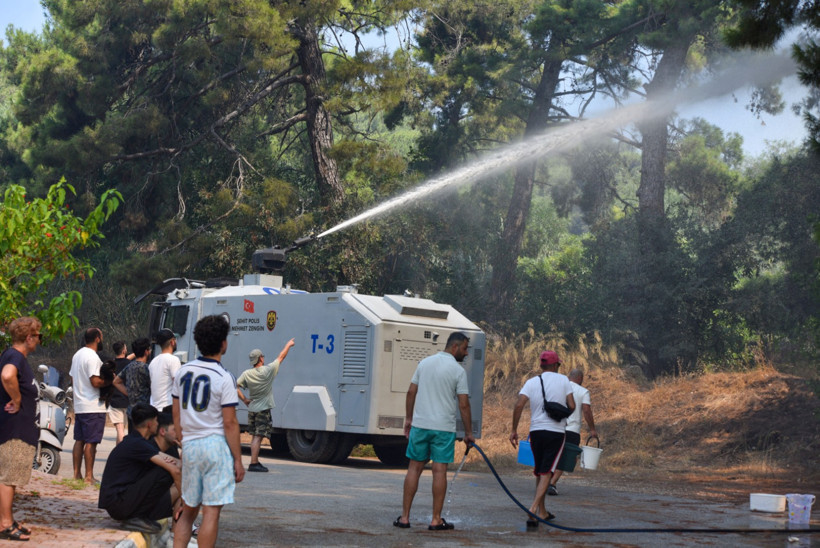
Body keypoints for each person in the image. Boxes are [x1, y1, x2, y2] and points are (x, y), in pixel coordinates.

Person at [172, 315, 244, 548]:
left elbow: (176, 415)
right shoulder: (225, 377)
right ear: (224, 343)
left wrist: (184, 443)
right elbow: (230, 423)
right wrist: (238, 460)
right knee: (211, 513)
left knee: (188, 510)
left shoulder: (183, 372)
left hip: (191, 446)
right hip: (216, 448)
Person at [394, 331, 474, 531]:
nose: (466, 354)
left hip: (421, 426)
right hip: (443, 429)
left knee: (414, 468)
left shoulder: (424, 363)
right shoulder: (458, 371)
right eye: (464, 349)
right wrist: (469, 433)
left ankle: (404, 518)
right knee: (440, 471)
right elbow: (464, 405)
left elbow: (411, 391)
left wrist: (409, 419)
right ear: (454, 347)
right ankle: (436, 520)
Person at [509, 350, 575, 527]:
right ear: (555, 365)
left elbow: (518, 405)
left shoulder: (531, 382)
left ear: (541, 365)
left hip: (536, 432)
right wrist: (562, 413)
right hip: (555, 432)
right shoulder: (563, 380)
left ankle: (543, 512)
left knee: (540, 470)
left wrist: (514, 430)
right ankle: (533, 510)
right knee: (546, 472)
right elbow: (572, 405)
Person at [98, 403, 182, 534]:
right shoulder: (137, 444)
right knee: (165, 471)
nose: (157, 424)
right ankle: (136, 517)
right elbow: (174, 468)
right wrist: (187, 498)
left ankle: (143, 517)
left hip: (123, 501)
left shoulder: (139, 442)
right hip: (119, 504)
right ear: (150, 424)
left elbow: (175, 463)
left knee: (168, 469)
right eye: (156, 421)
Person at [0, 317, 42, 541]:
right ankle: (4, 524)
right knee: (8, 477)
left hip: (20, 429)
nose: (38, 340)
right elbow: (7, 375)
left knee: (12, 477)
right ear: (29, 338)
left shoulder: (14, 356)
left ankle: (8, 518)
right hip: (14, 429)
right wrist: (16, 399)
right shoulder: (15, 356)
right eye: (38, 336)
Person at [236, 339, 295, 472]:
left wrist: (244, 399)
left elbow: (235, 386)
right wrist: (288, 345)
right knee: (258, 436)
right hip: (262, 410)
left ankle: (254, 460)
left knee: (254, 436)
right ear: (261, 359)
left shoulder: (247, 373)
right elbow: (281, 356)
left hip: (251, 409)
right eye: (262, 356)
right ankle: (253, 463)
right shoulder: (267, 371)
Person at [549, 368, 598, 495]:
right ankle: (552, 483)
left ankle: (545, 481)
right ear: (580, 378)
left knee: (553, 455)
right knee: (566, 457)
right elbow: (586, 410)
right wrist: (592, 429)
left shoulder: (557, 387)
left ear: (569, 376)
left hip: (554, 427)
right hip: (572, 430)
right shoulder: (583, 391)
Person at [69, 327, 108, 484]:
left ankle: (77, 474)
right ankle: (89, 477)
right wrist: (109, 382)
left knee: (79, 440)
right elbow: (95, 381)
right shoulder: (92, 357)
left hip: (80, 405)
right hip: (93, 405)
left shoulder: (77, 355)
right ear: (97, 338)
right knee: (91, 442)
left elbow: (72, 379)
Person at [113, 337, 152, 421]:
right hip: (144, 412)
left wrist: (130, 393)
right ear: (146, 351)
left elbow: (116, 381)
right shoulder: (146, 368)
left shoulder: (129, 366)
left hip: (131, 411)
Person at [149, 329, 181, 412]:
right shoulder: (173, 360)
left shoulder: (153, 361)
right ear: (172, 342)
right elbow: (178, 384)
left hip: (154, 409)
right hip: (168, 409)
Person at [109, 341, 131, 444]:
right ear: (124, 350)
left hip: (114, 400)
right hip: (127, 400)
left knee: (119, 429)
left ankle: (119, 452)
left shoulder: (111, 364)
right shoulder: (129, 364)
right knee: (123, 430)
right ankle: (120, 452)